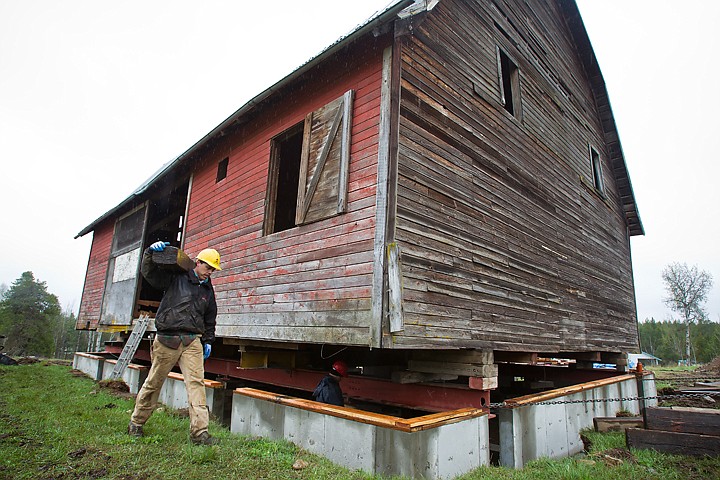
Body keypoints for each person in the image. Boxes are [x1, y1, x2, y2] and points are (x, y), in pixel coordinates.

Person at [127, 241, 221, 446]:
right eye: (208, 267)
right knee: (154, 382)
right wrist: (149, 253)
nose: (210, 272)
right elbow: (149, 274)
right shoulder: (175, 277)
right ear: (198, 262)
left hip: (192, 341)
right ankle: (136, 422)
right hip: (167, 339)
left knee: (197, 385)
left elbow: (210, 317)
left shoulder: (208, 290)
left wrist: (208, 340)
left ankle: (200, 433)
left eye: (213, 270)